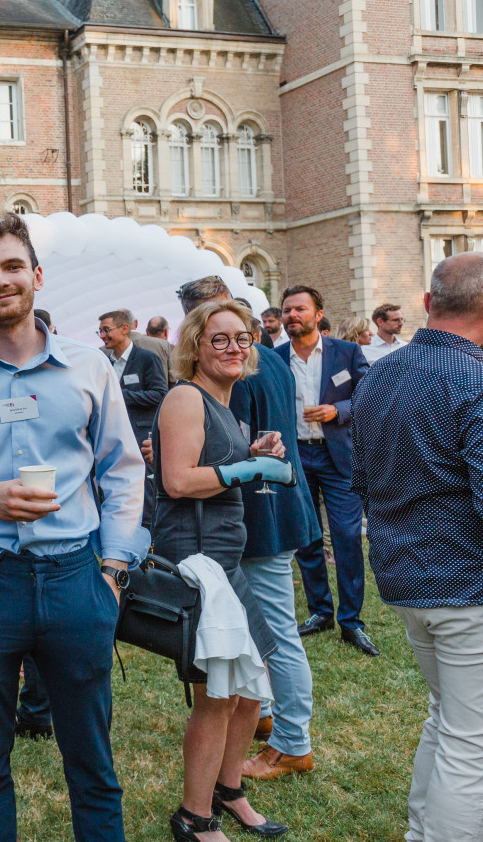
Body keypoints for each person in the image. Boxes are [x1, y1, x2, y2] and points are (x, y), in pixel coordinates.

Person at [0, 213, 147, 842]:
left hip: (76, 576)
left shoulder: (89, 368)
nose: (0, 280)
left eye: (12, 267)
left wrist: (114, 569)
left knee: (92, 761)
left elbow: (122, 470)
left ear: (36, 276)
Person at [351, 252, 483, 842]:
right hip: (463, 583)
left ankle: (421, 832)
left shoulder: (379, 373)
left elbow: (363, 475)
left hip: (404, 576)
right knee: (471, 741)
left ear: (429, 305)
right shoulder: (474, 379)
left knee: (449, 719)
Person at [152, 299, 292, 841]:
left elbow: (218, 464)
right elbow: (179, 482)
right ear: (194, 347)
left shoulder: (226, 407)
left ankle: (229, 790)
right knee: (219, 694)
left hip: (228, 558)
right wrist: (249, 466)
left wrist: (253, 446)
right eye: (220, 339)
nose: (234, 347)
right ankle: (194, 815)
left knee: (252, 682)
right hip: (199, 559)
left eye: (243, 338)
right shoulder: (185, 397)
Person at [170, 277, 319, 783]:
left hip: (260, 518)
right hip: (273, 508)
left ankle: (292, 740)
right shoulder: (271, 358)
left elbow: (230, 460)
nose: (227, 344)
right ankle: (270, 717)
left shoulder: (239, 371)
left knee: (275, 634)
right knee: (267, 633)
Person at [275, 286, 378, 656]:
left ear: (318, 314)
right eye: (287, 310)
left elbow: (368, 395)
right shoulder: (274, 358)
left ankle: (351, 622)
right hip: (297, 457)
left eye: (300, 309)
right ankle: (320, 612)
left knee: (348, 537)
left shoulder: (346, 352)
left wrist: (339, 411)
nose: (292, 315)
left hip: (338, 458)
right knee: (306, 537)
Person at [99, 308, 168, 526]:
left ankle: (147, 537)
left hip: (140, 437)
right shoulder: (103, 361)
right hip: (110, 437)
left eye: (106, 330)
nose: (102, 336)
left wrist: (120, 396)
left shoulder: (147, 359)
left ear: (125, 329)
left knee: (143, 489)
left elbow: (160, 394)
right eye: (99, 331)